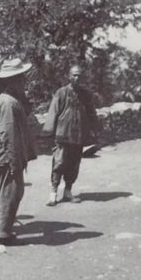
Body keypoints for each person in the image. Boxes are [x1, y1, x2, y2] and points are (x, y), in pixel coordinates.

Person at [0, 58, 35, 245]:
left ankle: (2, 229)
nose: (23, 81)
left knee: (9, 193)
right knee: (10, 194)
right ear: (12, 80)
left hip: (6, 157)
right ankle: (3, 233)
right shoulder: (8, 103)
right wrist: (15, 162)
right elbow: (8, 135)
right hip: (7, 158)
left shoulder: (8, 100)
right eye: (20, 78)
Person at [43, 64, 99, 206]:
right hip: (63, 135)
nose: (77, 78)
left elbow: (91, 113)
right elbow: (53, 112)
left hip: (78, 135)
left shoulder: (86, 94)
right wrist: (48, 132)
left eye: (79, 75)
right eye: (74, 75)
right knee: (59, 163)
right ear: (69, 76)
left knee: (74, 164)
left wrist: (95, 129)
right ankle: (53, 193)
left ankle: (68, 191)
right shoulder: (61, 93)